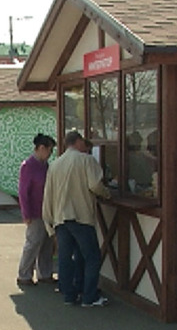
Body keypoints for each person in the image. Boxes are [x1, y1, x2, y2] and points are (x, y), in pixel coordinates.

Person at [42, 130, 111, 307]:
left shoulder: (55, 165)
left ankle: (69, 295)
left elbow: (47, 195)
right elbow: (95, 184)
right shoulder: (86, 160)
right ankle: (89, 296)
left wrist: (49, 222)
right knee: (91, 257)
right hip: (81, 216)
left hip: (60, 218)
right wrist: (107, 194)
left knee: (66, 257)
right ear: (79, 142)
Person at [16, 133, 56, 287]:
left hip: (46, 210)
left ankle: (45, 273)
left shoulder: (45, 165)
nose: (50, 154)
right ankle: (24, 274)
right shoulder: (28, 166)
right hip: (34, 211)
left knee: (47, 243)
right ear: (41, 148)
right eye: (49, 150)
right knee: (33, 243)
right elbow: (23, 192)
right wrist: (26, 213)